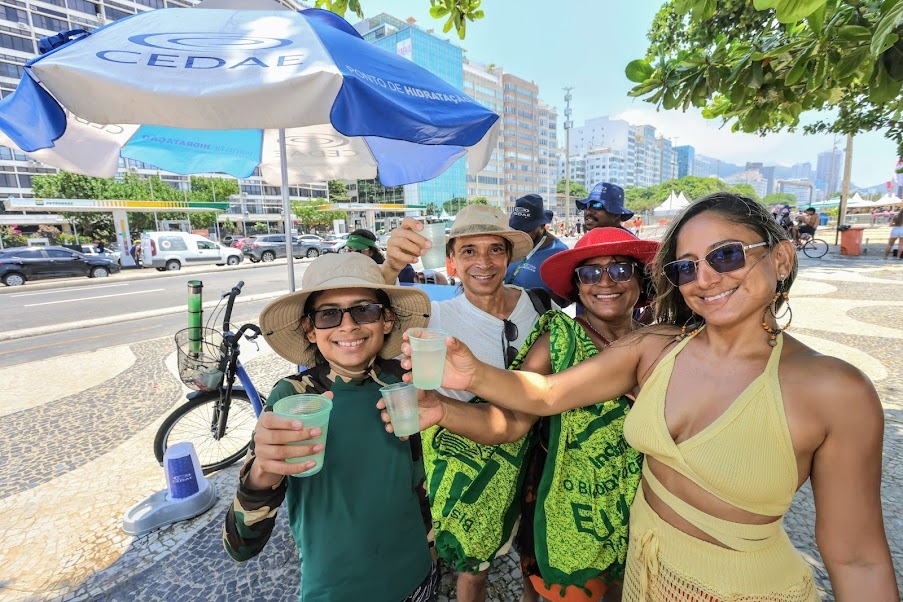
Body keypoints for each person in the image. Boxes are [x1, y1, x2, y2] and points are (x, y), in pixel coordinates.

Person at [412, 192, 898, 601]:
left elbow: (857, 558)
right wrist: (471, 378)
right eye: (687, 266)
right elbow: (543, 395)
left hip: (745, 587)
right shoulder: (650, 349)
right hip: (627, 566)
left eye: (726, 255)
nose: (705, 277)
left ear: (782, 258)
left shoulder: (834, 390)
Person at [383, 226, 659, 602]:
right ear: (577, 287)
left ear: (640, 281)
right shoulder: (555, 340)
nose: (605, 282)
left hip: (645, 508)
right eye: (591, 273)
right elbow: (513, 419)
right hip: (570, 510)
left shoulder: (663, 342)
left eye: (621, 271)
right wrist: (443, 407)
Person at [223, 253, 437, 602]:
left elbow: (420, 481)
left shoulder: (406, 382)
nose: (348, 325)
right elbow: (240, 546)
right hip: (337, 587)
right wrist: (262, 470)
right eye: (328, 314)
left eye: (365, 310)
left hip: (416, 574)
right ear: (310, 329)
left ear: (386, 320)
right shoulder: (291, 396)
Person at [381, 204, 550, 602]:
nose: (484, 262)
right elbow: (367, 321)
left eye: (495, 249)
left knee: (532, 549)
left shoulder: (539, 305)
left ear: (508, 257)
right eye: (469, 251)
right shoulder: (432, 316)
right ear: (452, 260)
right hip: (466, 465)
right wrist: (389, 269)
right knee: (473, 570)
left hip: (531, 459)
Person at [506, 194, 570, 306]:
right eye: (516, 229)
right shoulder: (511, 243)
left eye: (526, 230)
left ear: (542, 226)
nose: (520, 235)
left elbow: (562, 299)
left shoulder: (558, 253)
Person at [347, 228, 417, 283]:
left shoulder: (388, 272)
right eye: (349, 250)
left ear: (371, 252)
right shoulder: (343, 272)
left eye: (358, 251)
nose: (352, 255)